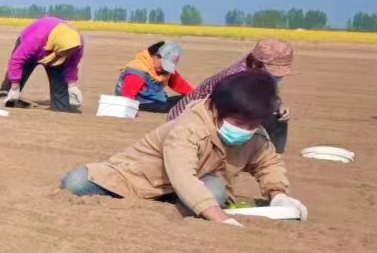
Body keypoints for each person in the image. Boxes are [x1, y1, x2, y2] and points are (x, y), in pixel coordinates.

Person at [61, 70, 306, 225]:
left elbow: (268, 163)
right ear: (218, 110)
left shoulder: (255, 134)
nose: (245, 129)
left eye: (252, 123)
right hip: (141, 179)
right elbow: (182, 175)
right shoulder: (189, 127)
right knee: (75, 183)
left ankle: (182, 202)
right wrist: (221, 219)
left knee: (215, 192)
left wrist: (278, 195)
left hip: (192, 185)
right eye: (239, 122)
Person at [168, 39, 294, 152]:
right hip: (188, 117)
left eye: (280, 75)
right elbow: (213, 108)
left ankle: (269, 153)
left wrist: (278, 105)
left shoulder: (256, 74)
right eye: (274, 74)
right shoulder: (237, 78)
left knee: (276, 114)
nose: (277, 78)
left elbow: (267, 94)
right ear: (256, 63)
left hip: (218, 112)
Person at [0, 16, 84, 112]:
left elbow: (72, 64)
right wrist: (14, 87)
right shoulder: (36, 39)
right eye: (66, 52)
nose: (68, 55)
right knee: (18, 74)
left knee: (61, 102)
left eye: (69, 52)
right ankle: (5, 96)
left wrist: (72, 85)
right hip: (38, 44)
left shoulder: (76, 44)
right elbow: (16, 61)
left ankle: (59, 106)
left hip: (58, 49)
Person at [115, 41, 194, 112]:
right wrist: (129, 110)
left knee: (189, 98)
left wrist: (194, 95)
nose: (165, 68)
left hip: (150, 97)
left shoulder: (164, 70)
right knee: (165, 106)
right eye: (164, 64)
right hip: (135, 100)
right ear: (155, 56)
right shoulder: (137, 70)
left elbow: (179, 84)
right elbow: (127, 94)